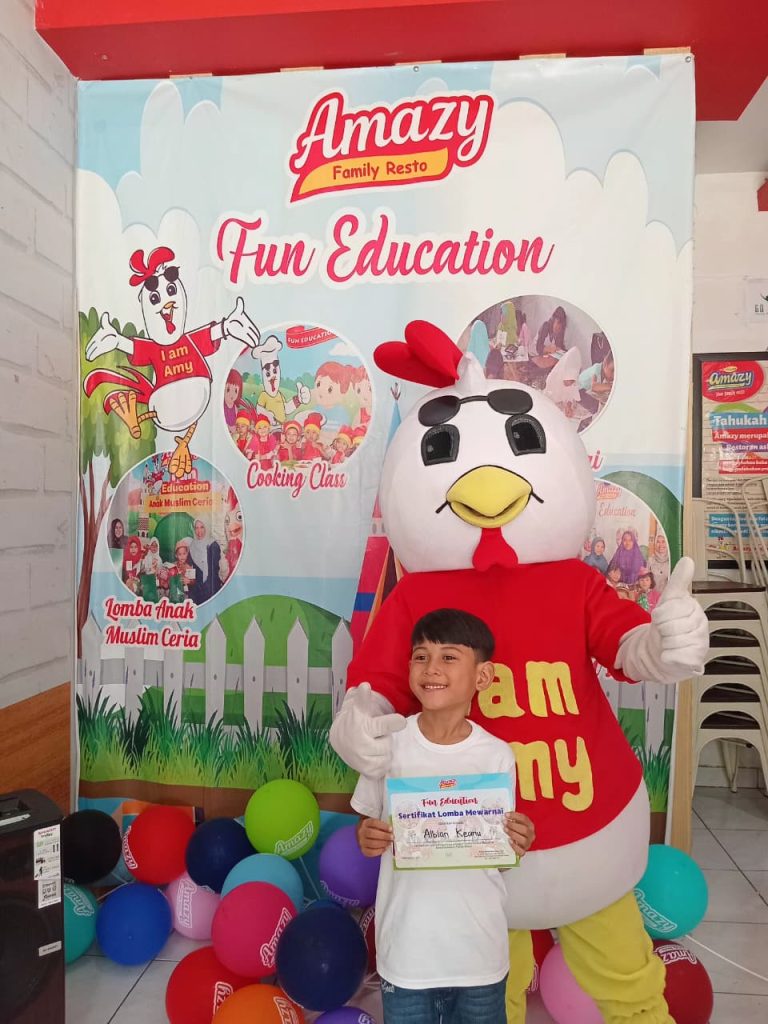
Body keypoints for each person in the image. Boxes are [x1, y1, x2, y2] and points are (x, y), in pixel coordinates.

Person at [353, 609, 535, 1024]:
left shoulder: (496, 755)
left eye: (449, 657)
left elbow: (498, 853)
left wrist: (517, 842)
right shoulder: (387, 744)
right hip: (406, 953)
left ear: (482, 676)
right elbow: (364, 825)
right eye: (421, 656)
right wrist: (366, 836)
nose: (431, 668)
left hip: (479, 954)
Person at [189, 518, 222, 604]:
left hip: (211, 588)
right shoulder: (192, 545)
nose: (199, 531)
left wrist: (207, 588)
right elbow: (191, 568)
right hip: (196, 590)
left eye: (202, 527)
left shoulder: (213, 545)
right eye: (196, 528)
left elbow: (214, 572)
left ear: (207, 528)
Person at [166, 538, 203, 604]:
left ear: (187, 554)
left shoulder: (189, 567)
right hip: (173, 592)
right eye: (179, 554)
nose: (182, 556)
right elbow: (168, 580)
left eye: (184, 554)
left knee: (184, 602)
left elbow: (193, 581)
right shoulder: (173, 565)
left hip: (184, 593)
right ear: (176, 555)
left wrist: (189, 581)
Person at [224, 368, 243, 432]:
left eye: (235, 391)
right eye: (228, 390)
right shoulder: (222, 407)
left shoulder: (235, 408)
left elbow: (237, 421)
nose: (232, 394)